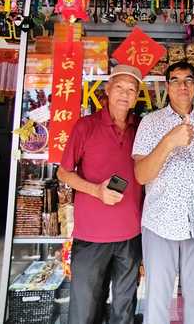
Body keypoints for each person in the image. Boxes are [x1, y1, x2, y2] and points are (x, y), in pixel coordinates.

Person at [58, 64, 144, 324]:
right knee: (85, 309)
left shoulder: (140, 128)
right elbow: (63, 173)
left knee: (124, 308)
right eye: (119, 87)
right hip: (92, 235)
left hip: (130, 235)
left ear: (137, 95)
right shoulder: (86, 126)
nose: (124, 94)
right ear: (107, 89)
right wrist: (96, 190)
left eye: (131, 89)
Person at [132, 61, 194, 324]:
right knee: (158, 299)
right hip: (160, 222)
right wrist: (169, 141)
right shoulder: (150, 123)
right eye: (175, 80)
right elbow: (141, 175)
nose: (183, 86)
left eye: (189, 80)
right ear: (167, 86)